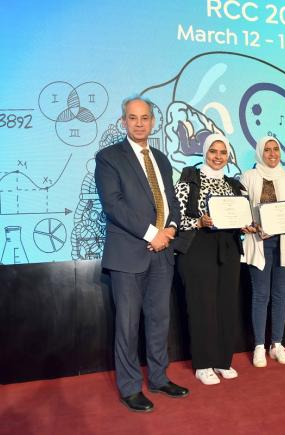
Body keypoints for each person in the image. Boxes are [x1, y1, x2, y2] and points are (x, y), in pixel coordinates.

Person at [95, 96, 189, 413]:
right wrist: (153, 233)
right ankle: (130, 387)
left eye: (145, 117)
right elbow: (114, 204)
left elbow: (171, 200)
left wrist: (171, 229)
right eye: (132, 118)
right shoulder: (108, 158)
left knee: (160, 321)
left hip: (163, 255)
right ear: (123, 122)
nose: (139, 123)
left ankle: (160, 378)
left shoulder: (161, 159)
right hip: (128, 256)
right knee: (128, 325)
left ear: (153, 121)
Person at [174, 133, 252, 385]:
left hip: (228, 248)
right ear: (205, 153)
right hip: (199, 247)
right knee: (202, 306)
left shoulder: (234, 184)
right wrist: (199, 221)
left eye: (222, 153)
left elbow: (242, 216)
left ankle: (222, 361)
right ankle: (203, 364)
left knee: (226, 305)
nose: (217, 157)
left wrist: (246, 226)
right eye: (212, 152)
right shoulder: (190, 179)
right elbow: (175, 218)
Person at [241, 137, 285, 368]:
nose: (272, 153)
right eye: (267, 150)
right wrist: (250, 225)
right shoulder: (249, 177)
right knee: (260, 295)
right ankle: (258, 346)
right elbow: (243, 209)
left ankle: (276, 344)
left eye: (276, 149)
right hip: (258, 243)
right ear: (260, 152)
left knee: (280, 295)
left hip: (284, 242)